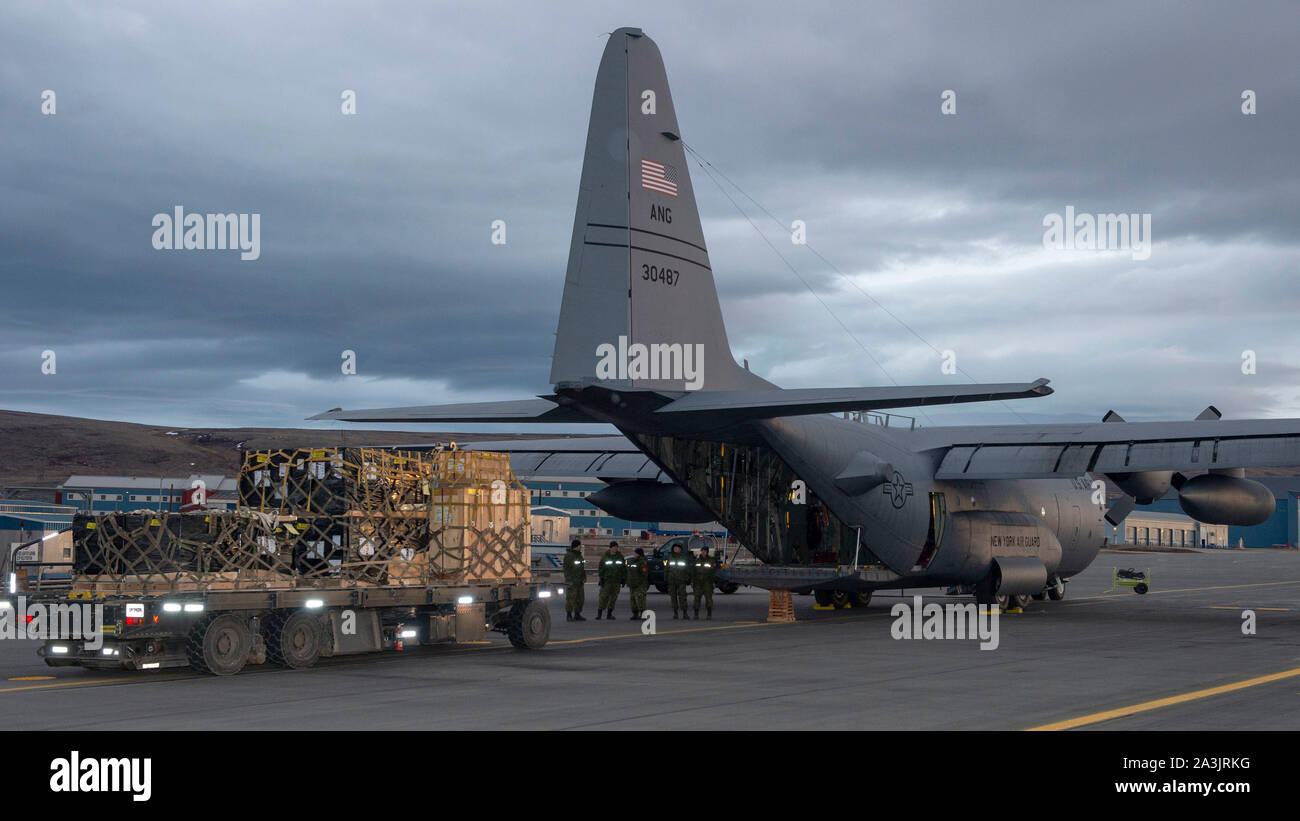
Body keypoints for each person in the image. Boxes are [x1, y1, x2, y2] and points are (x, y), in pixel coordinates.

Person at [596, 541, 626, 619]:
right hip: (607, 580)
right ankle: (599, 614)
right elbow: (601, 568)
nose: (615, 549)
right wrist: (601, 579)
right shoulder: (605, 556)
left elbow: (623, 568)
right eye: (614, 547)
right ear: (610, 548)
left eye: (616, 547)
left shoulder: (620, 557)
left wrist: (623, 579)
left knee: (613, 598)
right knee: (603, 597)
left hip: (616, 581)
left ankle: (609, 614)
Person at [665, 541, 693, 619]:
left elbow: (688, 569)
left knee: (683, 596)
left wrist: (688, 578)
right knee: (673, 597)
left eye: (677, 548)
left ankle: (685, 613)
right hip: (672, 580)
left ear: (680, 549)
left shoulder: (684, 558)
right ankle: (675, 613)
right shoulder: (670, 557)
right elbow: (667, 568)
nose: (675, 549)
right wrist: (666, 578)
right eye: (674, 548)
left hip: (681, 580)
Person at [563, 539, 587, 621]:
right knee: (571, 598)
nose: (581, 547)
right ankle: (569, 615)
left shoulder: (579, 555)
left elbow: (581, 568)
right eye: (580, 546)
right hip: (572, 581)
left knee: (580, 598)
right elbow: (567, 569)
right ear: (576, 546)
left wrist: (584, 577)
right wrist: (569, 580)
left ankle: (577, 614)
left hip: (579, 581)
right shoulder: (569, 556)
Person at [691, 546, 717, 619]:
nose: (703, 552)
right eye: (702, 551)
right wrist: (692, 581)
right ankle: (696, 614)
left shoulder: (711, 560)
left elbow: (714, 572)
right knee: (696, 598)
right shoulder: (697, 560)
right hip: (698, 582)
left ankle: (709, 614)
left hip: (707, 582)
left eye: (705, 551)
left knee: (708, 599)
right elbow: (693, 572)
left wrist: (714, 582)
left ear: (707, 552)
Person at [625, 547, 649, 619]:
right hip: (632, 584)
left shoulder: (642, 562)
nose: (634, 554)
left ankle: (643, 614)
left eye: (635, 553)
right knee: (633, 599)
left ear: (639, 554)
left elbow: (644, 574)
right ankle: (635, 614)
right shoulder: (632, 561)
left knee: (640, 598)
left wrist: (639, 582)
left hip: (640, 584)